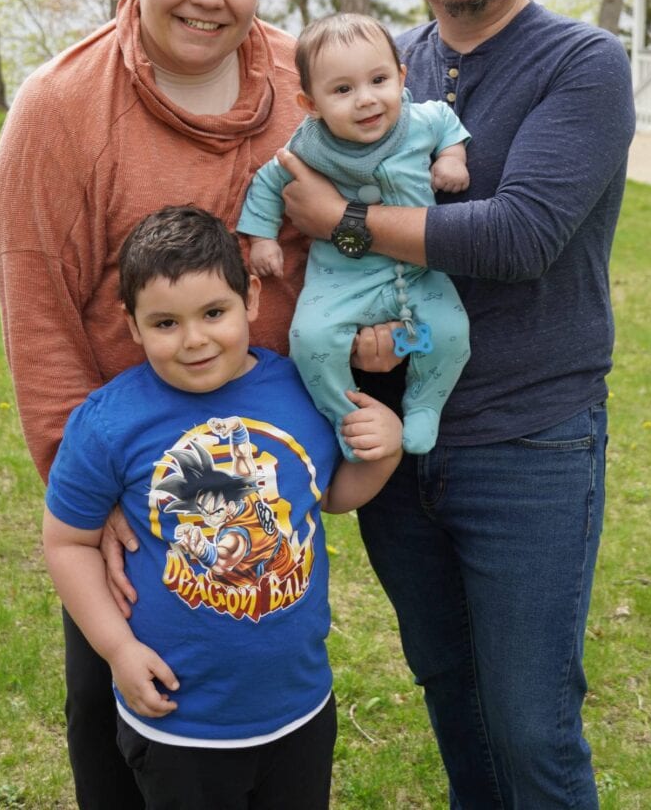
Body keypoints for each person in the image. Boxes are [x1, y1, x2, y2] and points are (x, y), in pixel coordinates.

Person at [0, 0, 395, 809]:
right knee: (127, 733)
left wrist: (374, 334)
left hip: (270, 440)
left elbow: (370, 198)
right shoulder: (58, 108)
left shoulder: (302, 85)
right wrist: (98, 496)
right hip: (131, 464)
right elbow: (40, 323)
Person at [275, 0, 636, 809]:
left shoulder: (585, 65)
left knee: (531, 725)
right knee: (452, 697)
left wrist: (341, 220)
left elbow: (521, 237)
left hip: (530, 441)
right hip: (392, 445)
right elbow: (287, 188)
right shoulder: (377, 66)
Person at [43, 204, 402, 810]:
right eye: (165, 323)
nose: (195, 340)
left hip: (299, 702)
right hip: (180, 720)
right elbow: (67, 542)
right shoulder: (108, 422)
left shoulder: (302, 389)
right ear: (131, 326)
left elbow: (332, 498)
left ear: (252, 299)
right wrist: (118, 650)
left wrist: (382, 454)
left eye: (214, 313)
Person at [237, 12, 471, 459]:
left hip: (419, 274)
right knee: (310, 339)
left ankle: (424, 402)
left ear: (401, 77)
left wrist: (452, 159)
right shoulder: (310, 145)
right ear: (310, 104)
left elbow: (446, 123)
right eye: (343, 90)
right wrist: (262, 237)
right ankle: (345, 416)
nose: (366, 100)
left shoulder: (420, 121)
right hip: (341, 281)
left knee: (451, 332)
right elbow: (270, 181)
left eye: (378, 80)